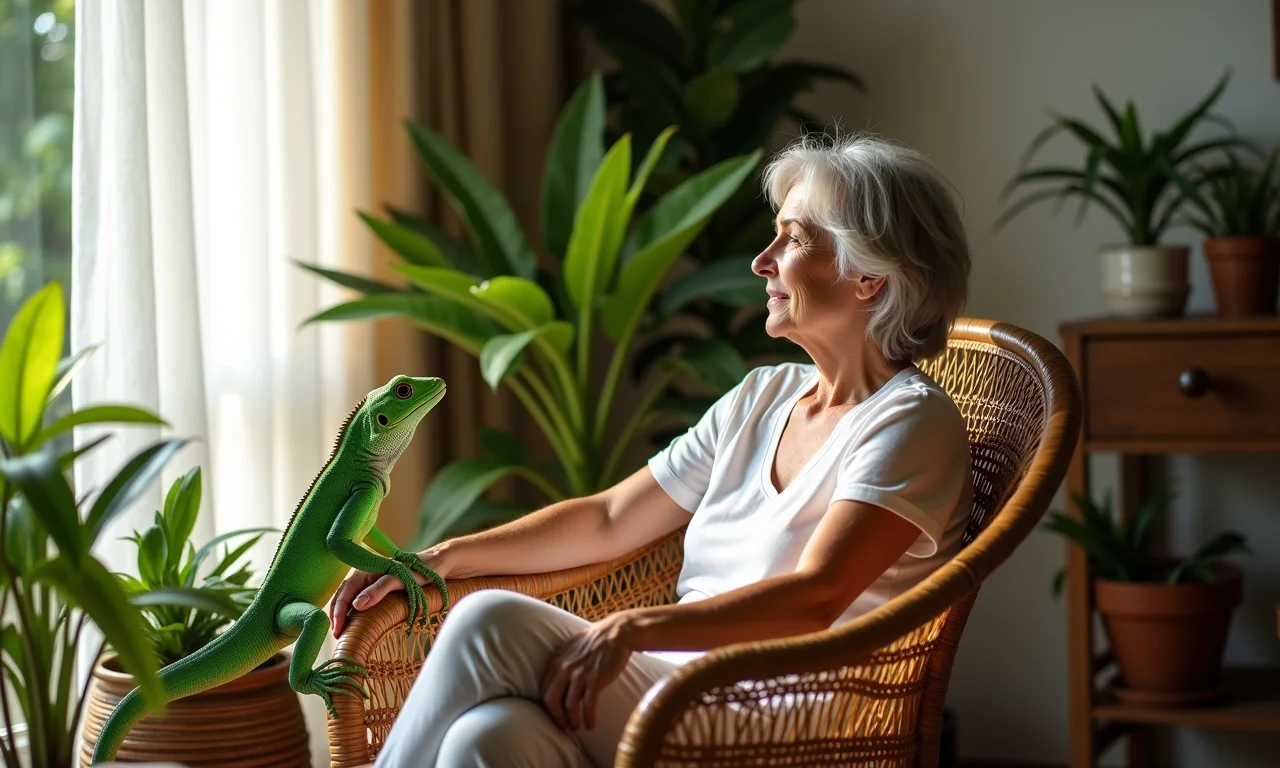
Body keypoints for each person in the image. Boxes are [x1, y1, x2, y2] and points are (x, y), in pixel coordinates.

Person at [329, 133, 974, 768]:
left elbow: (815, 597)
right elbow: (610, 518)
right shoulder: (763, 396)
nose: (763, 260)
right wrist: (440, 559)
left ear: (868, 277)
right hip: (675, 690)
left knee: (486, 621)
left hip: (786, 719)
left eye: (795, 238)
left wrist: (635, 628)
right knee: (489, 739)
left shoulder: (910, 424)